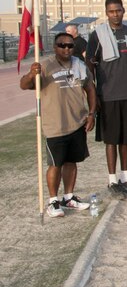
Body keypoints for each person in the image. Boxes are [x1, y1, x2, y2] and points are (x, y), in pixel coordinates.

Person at [20, 33, 96, 217]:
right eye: (62, 45)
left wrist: (92, 113)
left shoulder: (79, 64)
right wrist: (32, 74)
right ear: (55, 47)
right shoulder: (45, 65)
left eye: (70, 46)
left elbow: (90, 88)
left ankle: (68, 197)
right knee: (56, 164)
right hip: (55, 124)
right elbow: (24, 85)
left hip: (77, 122)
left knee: (72, 162)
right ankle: (53, 201)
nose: (66, 49)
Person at [86, 0, 127, 196]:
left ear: (123, 10)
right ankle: (112, 180)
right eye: (111, 11)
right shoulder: (98, 35)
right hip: (108, 94)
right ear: (106, 13)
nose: (115, 14)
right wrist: (94, 93)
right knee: (111, 139)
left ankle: (125, 177)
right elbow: (90, 64)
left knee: (126, 139)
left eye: (118, 10)